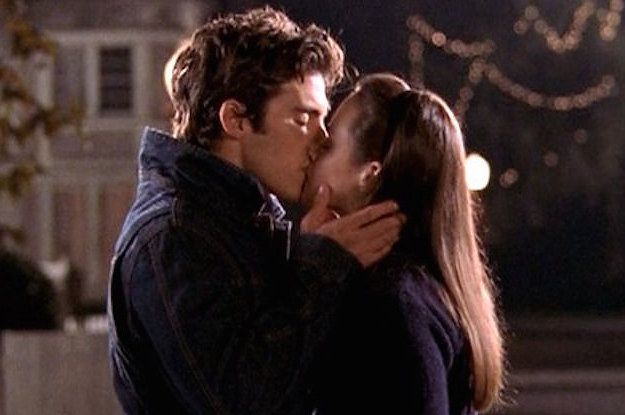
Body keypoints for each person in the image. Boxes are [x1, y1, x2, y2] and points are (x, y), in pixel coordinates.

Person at [107, 8, 404, 415]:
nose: (322, 139)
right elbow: (240, 401)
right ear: (236, 120)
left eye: (324, 120)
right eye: (303, 118)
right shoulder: (173, 235)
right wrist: (321, 266)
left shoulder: (243, 218)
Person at [301, 73, 505, 414]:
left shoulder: (392, 302)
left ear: (369, 173)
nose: (314, 149)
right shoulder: (404, 286)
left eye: (329, 144)